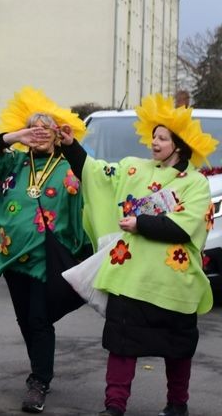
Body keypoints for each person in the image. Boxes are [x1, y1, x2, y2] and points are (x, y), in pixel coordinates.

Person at [68, 94, 216, 416]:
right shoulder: (134, 168)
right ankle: (114, 406)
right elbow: (95, 172)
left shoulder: (195, 183)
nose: (155, 142)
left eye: (162, 137)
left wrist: (140, 223)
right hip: (130, 279)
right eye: (153, 136)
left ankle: (177, 404)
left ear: (179, 143)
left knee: (178, 351)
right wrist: (70, 146)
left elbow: (186, 226)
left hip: (173, 284)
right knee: (121, 346)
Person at [0, 87, 90, 413]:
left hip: (48, 259)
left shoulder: (67, 167)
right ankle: (39, 371)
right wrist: (16, 136)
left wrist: (71, 145)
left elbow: (90, 174)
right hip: (14, 257)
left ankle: (39, 381)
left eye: (45, 130)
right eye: (33, 130)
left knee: (39, 319)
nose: (38, 135)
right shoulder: (13, 163)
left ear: (56, 135)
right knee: (26, 319)